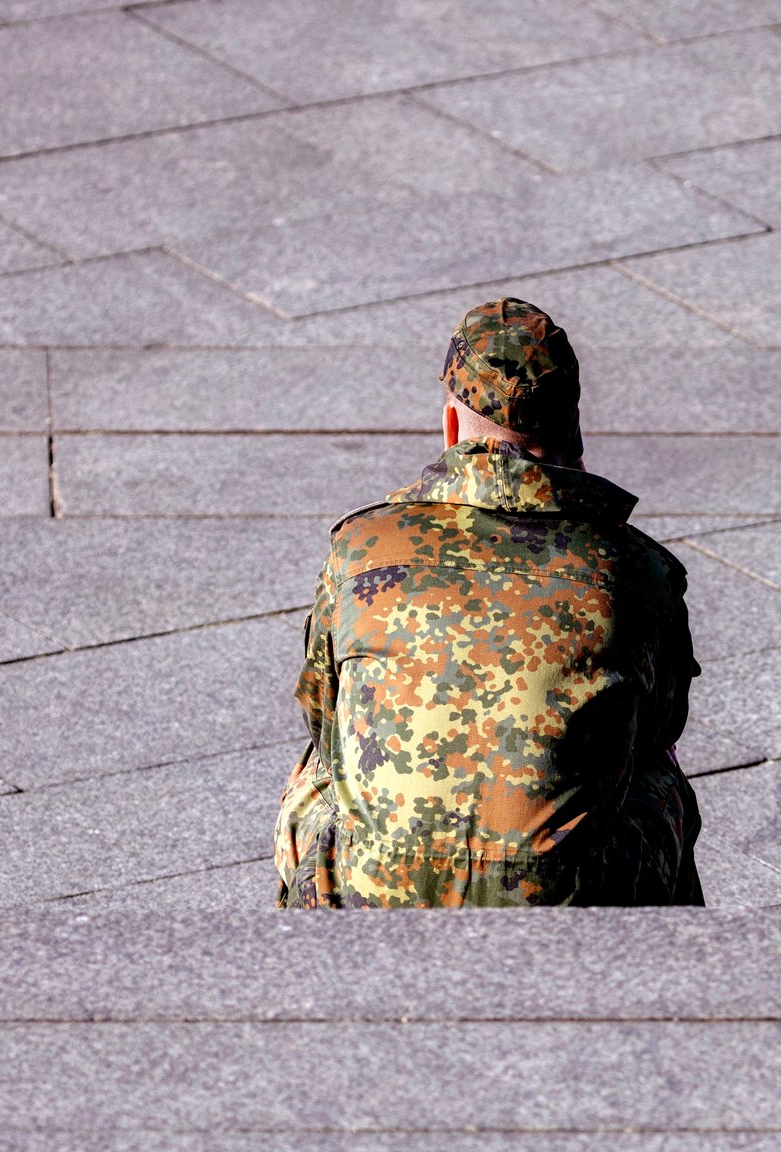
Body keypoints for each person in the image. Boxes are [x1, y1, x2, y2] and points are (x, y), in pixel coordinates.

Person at [273, 298, 702, 907]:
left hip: (377, 889)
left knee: (325, 765)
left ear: (452, 427)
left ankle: (306, 964)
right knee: (655, 772)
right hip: (566, 897)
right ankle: (663, 976)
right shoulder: (636, 568)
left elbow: (321, 709)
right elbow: (663, 722)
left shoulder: (363, 546)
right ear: (574, 423)